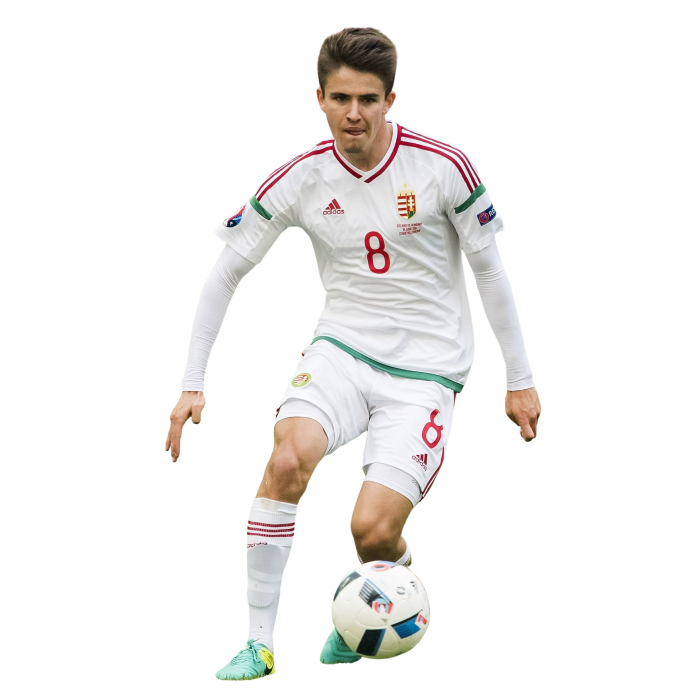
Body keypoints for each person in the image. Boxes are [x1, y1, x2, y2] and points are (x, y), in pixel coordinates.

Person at [164, 26, 541, 681]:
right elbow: (225, 273)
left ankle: (385, 585)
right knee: (286, 458)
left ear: (391, 100)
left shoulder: (442, 165)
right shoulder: (302, 175)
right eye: (340, 98)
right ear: (319, 98)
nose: (354, 114)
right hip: (341, 348)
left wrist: (520, 378)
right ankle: (259, 643)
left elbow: (490, 270)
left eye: (368, 99)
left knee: (370, 532)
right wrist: (191, 382)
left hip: (426, 371)